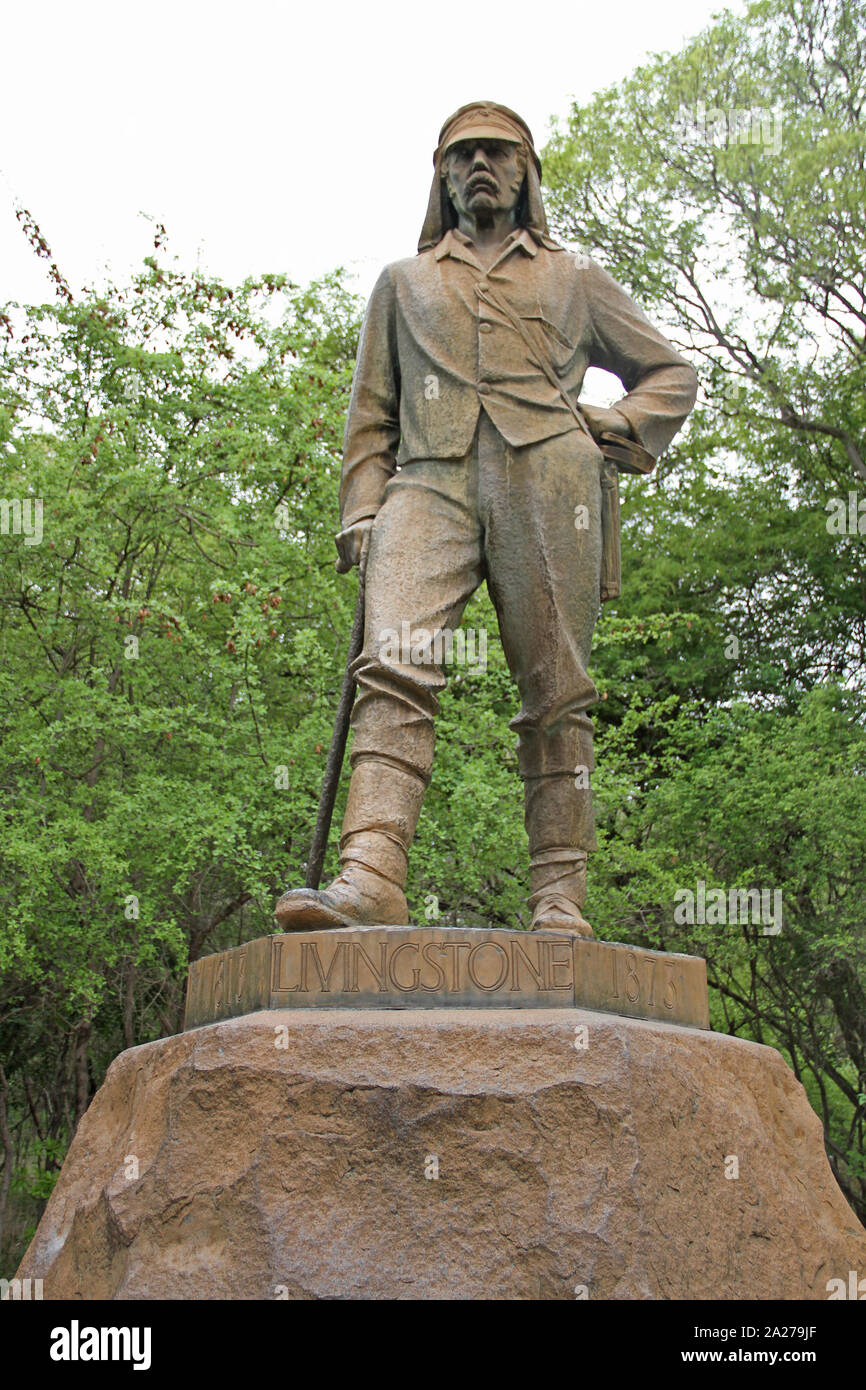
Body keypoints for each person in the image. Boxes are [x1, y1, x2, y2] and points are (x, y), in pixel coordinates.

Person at [275, 101, 697, 936]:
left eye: (498, 153)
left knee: (556, 695)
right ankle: (370, 876)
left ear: (525, 172)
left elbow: (671, 374)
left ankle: (560, 900)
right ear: (441, 174)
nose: (480, 166)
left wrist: (607, 426)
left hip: (548, 479)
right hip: (427, 485)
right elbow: (371, 418)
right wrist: (362, 509)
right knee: (391, 663)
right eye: (463, 153)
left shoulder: (574, 278)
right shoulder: (403, 281)